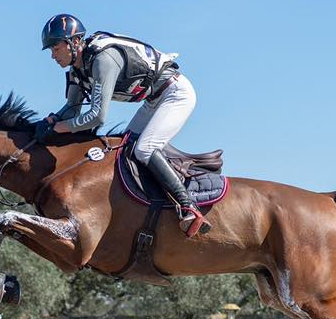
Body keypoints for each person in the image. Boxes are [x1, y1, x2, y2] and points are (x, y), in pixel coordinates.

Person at [36, 13, 210, 236]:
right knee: (123, 151)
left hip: (175, 93)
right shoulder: (77, 70)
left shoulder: (102, 60)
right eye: (51, 50)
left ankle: (189, 207)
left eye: (56, 48)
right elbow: (72, 108)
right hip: (153, 101)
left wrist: (59, 128)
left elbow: (97, 117)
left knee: (145, 149)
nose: (53, 56)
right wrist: (51, 120)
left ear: (75, 42)